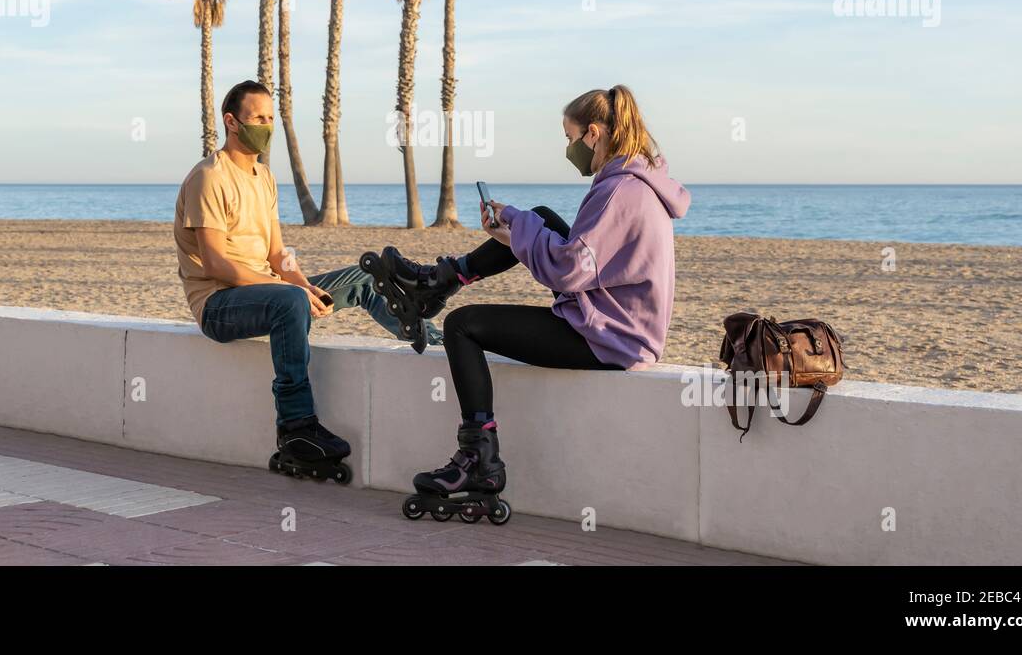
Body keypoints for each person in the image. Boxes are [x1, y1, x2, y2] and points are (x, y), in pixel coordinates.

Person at [381, 85, 690, 507]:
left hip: (609, 337)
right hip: (619, 323)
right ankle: (442, 280)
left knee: (461, 326)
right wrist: (515, 228)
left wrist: (517, 228)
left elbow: (569, 270)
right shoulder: (637, 179)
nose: (568, 149)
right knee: (540, 218)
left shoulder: (620, 192)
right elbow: (582, 259)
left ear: (594, 133)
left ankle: (479, 458)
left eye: (570, 138)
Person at [173, 80, 439, 476]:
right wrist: (288, 291)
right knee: (291, 301)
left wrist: (300, 283)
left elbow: (278, 255)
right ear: (231, 122)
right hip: (219, 305)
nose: (266, 126)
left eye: (270, 118)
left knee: (363, 281)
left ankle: (433, 343)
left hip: (270, 293)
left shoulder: (263, 177)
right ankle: (296, 427)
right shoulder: (210, 177)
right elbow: (215, 265)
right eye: (258, 118)